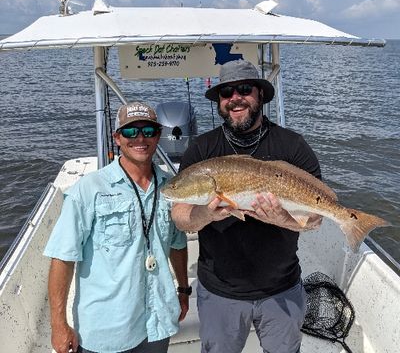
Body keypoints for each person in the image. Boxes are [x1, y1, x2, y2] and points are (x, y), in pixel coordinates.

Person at [171, 60, 322, 353]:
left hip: (283, 287)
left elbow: (315, 218)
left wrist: (282, 218)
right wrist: (203, 213)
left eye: (244, 89)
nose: (234, 98)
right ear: (219, 102)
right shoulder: (201, 151)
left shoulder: (292, 147)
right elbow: (180, 217)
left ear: (260, 95)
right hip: (220, 292)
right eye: (226, 93)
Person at [45, 101, 190, 353]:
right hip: (106, 330)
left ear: (159, 136)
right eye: (131, 132)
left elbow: (177, 243)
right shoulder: (89, 189)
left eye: (149, 131)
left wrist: (184, 289)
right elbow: (62, 258)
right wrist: (59, 324)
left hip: (158, 321)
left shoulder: (172, 187)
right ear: (117, 138)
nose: (140, 138)